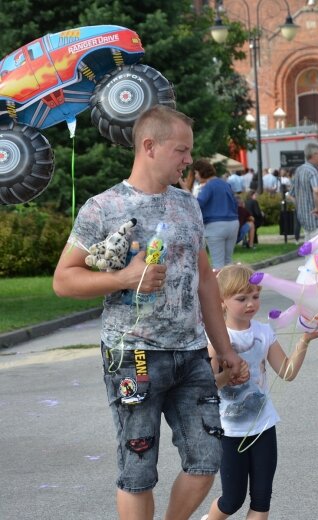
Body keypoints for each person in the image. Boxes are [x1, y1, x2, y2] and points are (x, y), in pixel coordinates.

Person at [52, 105, 248, 520]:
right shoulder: (102, 208)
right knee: (138, 472)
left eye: (189, 151)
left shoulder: (188, 205)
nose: (187, 159)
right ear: (149, 146)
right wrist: (125, 277)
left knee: (206, 460)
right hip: (133, 356)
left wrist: (224, 347)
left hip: (191, 354)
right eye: (181, 150)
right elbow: (63, 280)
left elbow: (206, 281)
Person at [202, 264, 318, 520]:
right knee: (232, 500)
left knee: (261, 500)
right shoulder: (215, 339)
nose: (251, 303)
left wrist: (304, 341)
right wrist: (228, 375)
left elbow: (287, 372)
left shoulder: (264, 332)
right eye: (242, 298)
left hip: (263, 426)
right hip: (229, 431)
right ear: (222, 301)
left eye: (255, 296)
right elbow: (206, 387)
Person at [195, 159, 240, 269]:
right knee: (228, 262)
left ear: (201, 172)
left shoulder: (208, 187)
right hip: (233, 223)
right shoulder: (225, 184)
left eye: (196, 173)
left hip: (215, 225)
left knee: (218, 264)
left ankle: (220, 286)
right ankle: (231, 286)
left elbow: (197, 204)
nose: (195, 176)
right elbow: (235, 203)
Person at [290, 143, 318, 241]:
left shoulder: (299, 170)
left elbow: (291, 195)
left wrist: (300, 207)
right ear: (314, 155)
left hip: (304, 218)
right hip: (316, 219)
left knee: (309, 249)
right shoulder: (313, 171)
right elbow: (316, 190)